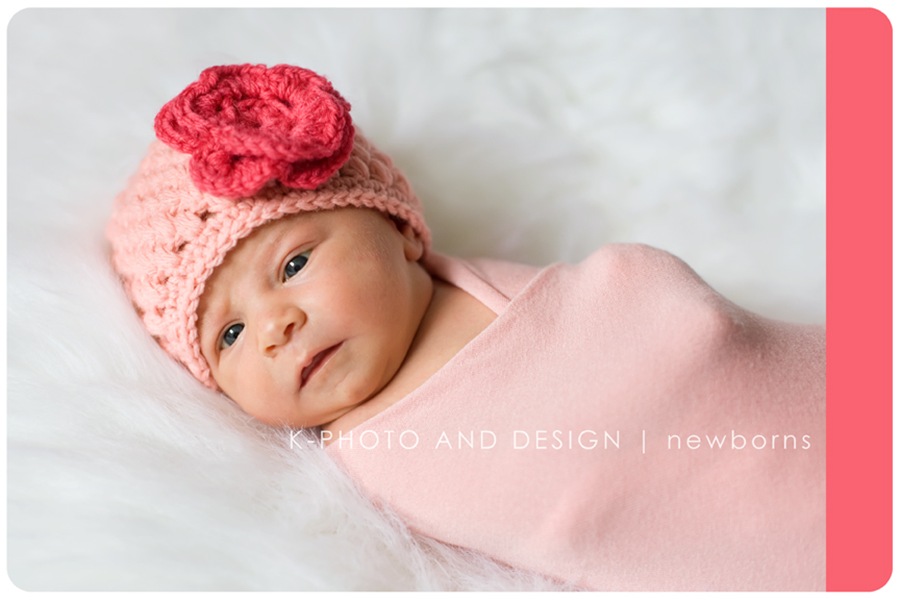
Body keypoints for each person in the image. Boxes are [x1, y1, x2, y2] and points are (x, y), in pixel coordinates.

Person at [106, 63, 825, 591]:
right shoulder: (349, 490)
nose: (274, 327)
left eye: (293, 265)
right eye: (229, 336)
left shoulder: (473, 293)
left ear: (399, 232)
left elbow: (652, 329)